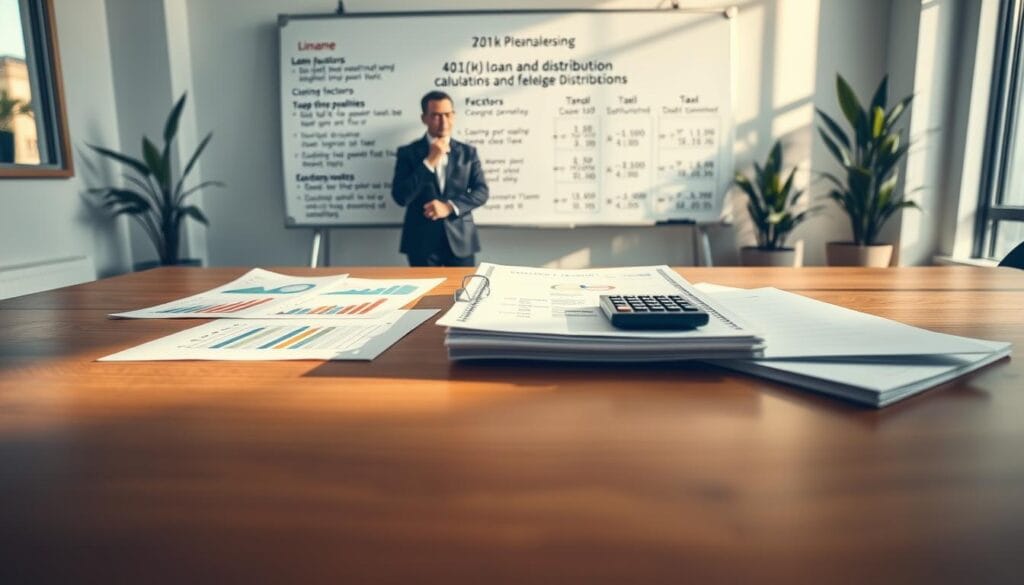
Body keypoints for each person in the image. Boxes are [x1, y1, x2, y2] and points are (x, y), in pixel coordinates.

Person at [391, 90, 489, 267]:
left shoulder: (468, 152)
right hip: (420, 241)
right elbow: (401, 197)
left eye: (448, 114)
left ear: (454, 116)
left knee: (463, 285)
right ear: (424, 118)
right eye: (436, 115)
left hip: (461, 240)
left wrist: (449, 207)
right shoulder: (407, 153)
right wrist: (429, 161)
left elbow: (481, 192)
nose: (444, 121)